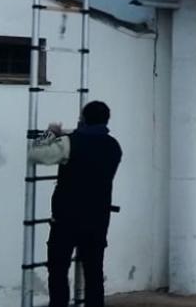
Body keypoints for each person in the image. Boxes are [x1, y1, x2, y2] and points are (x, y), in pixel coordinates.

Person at [29, 100, 122, 307]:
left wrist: (51, 133)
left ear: (83, 119)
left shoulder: (70, 143)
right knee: (94, 273)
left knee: (58, 269)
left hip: (66, 219)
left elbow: (36, 154)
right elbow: (94, 141)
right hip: (98, 219)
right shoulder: (114, 146)